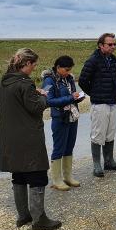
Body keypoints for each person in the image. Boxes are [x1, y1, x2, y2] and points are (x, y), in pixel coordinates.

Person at [0, 48, 61, 230]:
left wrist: (34, 93)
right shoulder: (24, 84)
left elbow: (16, 103)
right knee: (38, 174)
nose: (34, 68)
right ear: (26, 64)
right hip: (28, 136)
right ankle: (39, 219)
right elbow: (35, 108)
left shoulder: (4, 82)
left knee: (18, 174)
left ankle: (23, 215)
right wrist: (43, 96)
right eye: (34, 65)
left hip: (10, 136)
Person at [79, 33, 116, 177]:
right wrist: (94, 93)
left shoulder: (113, 59)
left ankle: (109, 161)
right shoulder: (93, 61)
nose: (113, 47)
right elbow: (82, 81)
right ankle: (97, 165)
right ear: (101, 45)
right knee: (98, 134)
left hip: (113, 100)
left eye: (114, 44)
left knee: (110, 132)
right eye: (110, 44)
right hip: (100, 103)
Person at [42, 56, 84, 191]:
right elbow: (49, 101)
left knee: (69, 146)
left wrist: (78, 98)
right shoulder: (49, 80)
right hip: (59, 118)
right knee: (59, 148)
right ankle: (56, 179)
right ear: (58, 67)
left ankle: (68, 176)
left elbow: (73, 95)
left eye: (70, 69)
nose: (68, 72)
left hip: (72, 116)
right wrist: (70, 98)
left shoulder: (69, 78)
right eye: (66, 69)